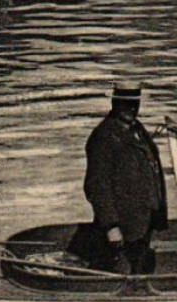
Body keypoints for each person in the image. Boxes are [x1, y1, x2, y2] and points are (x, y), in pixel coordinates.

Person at [70, 85, 168, 273]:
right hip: (123, 224)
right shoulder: (104, 136)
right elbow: (97, 186)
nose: (132, 109)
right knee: (117, 271)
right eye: (126, 104)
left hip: (143, 220)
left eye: (135, 104)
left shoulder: (137, 128)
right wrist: (111, 226)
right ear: (114, 103)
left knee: (139, 267)